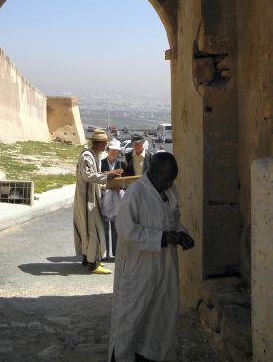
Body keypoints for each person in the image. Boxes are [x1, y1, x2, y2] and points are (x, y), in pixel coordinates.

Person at [108, 151, 195, 362]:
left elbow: (172, 221)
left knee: (160, 316)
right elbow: (127, 231)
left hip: (165, 266)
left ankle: (149, 356)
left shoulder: (170, 191)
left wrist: (181, 234)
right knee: (131, 319)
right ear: (154, 173)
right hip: (139, 268)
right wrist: (162, 238)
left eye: (173, 179)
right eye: (167, 179)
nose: (170, 183)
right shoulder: (136, 194)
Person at [73, 129, 122, 275]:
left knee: (87, 228)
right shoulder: (87, 156)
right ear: (99, 143)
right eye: (105, 143)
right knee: (92, 229)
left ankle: (87, 258)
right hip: (86, 198)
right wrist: (109, 175)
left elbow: (95, 179)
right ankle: (92, 264)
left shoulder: (96, 156)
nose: (106, 145)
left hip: (92, 196)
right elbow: (88, 176)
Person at [101, 139, 125, 261]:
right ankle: (105, 252)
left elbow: (126, 181)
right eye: (113, 150)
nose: (115, 152)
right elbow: (99, 178)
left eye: (117, 151)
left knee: (116, 226)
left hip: (117, 196)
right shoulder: (101, 163)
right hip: (105, 196)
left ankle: (115, 252)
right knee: (104, 225)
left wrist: (120, 186)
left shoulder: (122, 164)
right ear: (108, 150)